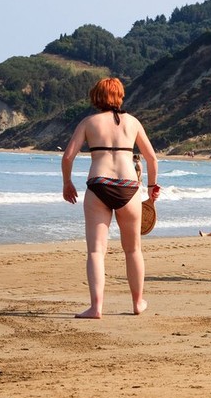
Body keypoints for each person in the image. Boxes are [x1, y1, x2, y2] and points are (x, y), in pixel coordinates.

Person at [61, 77, 159, 319]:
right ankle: (137, 303)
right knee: (133, 249)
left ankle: (96, 308)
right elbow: (152, 159)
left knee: (96, 251)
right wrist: (152, 187)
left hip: (99, 185)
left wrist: (67, 182)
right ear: (120, 96)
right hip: (129, 187)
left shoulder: (89, 122)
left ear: (97, 97)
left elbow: (67, 157)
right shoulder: (133, 123)